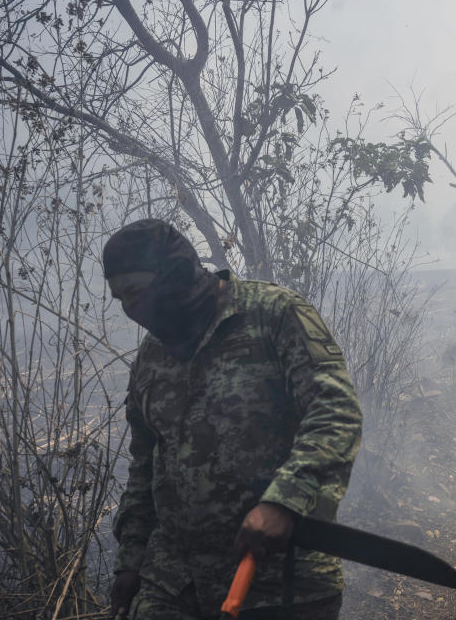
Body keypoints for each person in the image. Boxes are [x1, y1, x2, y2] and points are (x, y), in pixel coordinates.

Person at [104, 219, 362, 620]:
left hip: (278, 579)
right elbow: (145, 464)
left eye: (136, 293)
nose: (131, 310)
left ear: (172, 274)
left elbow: (334, 412)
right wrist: (130, 560)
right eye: (120, 298)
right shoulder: (151, 358)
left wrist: (284, 502)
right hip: (174, 583)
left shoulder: (275, 314)